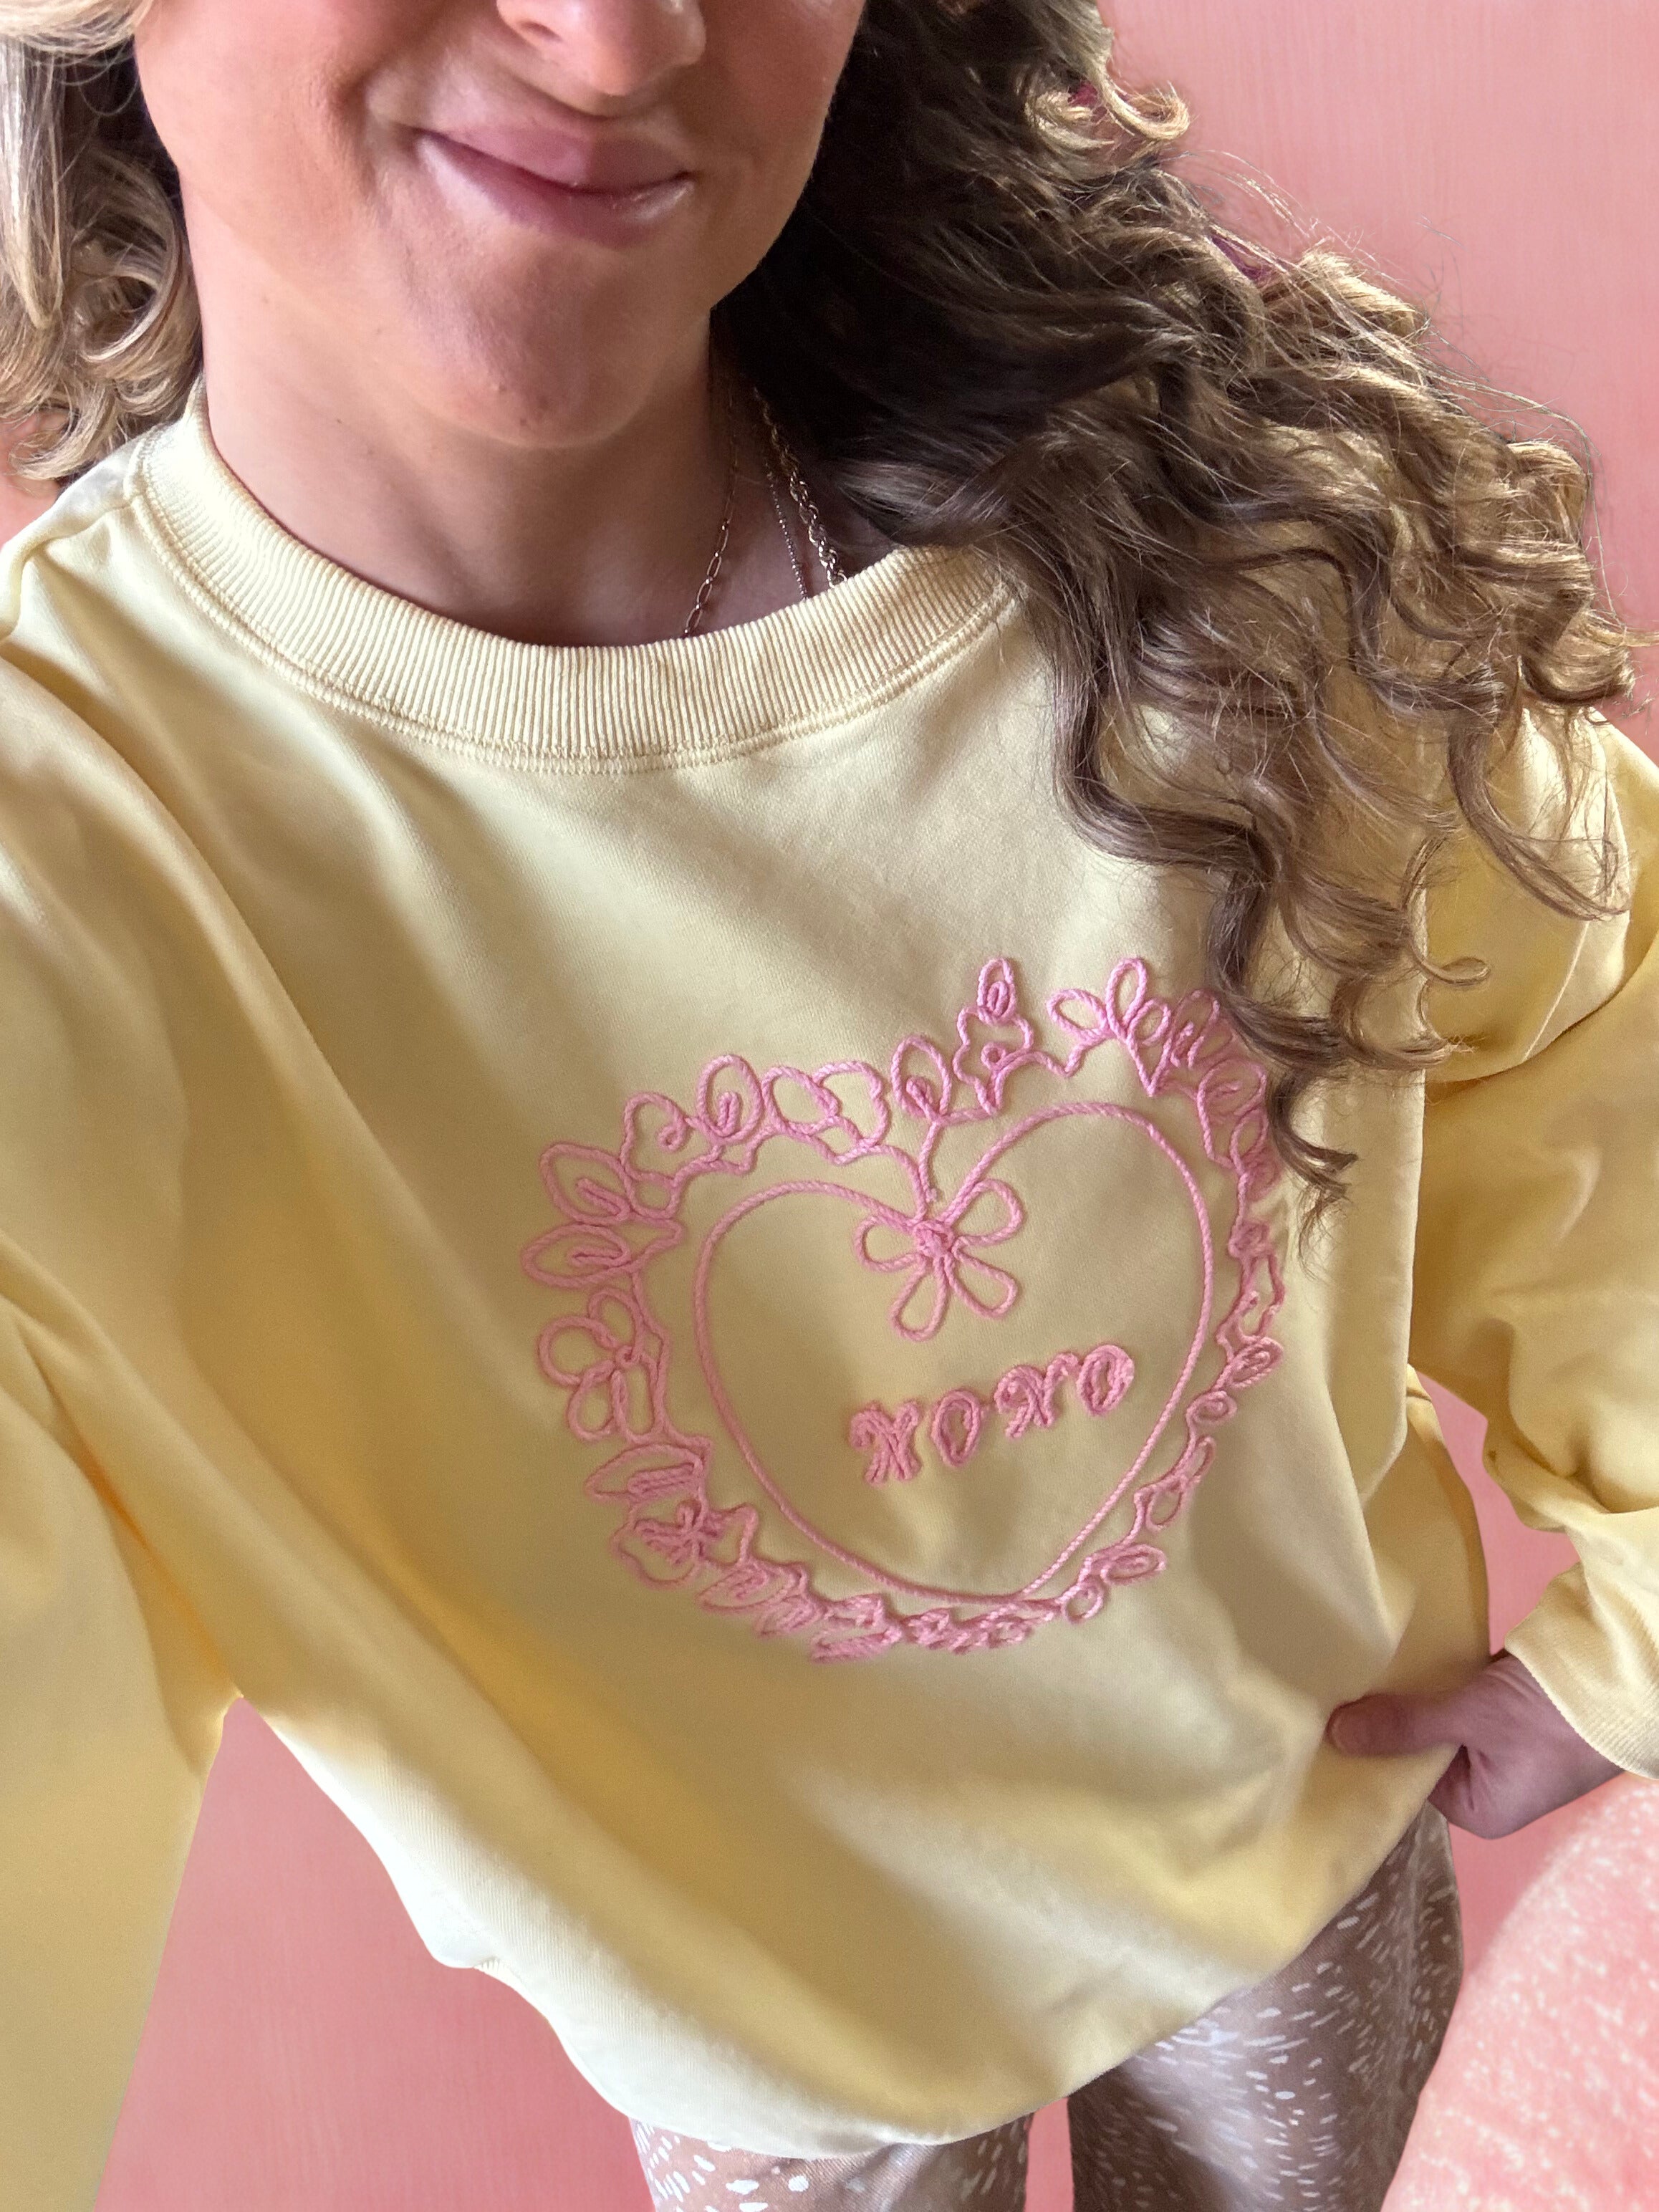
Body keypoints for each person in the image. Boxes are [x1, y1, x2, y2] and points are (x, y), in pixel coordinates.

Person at [0, 1, 1650, 2208]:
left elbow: (1590, 1042)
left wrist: (1630, 1639)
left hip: (1284, 1868)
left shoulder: (1209, 554)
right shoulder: (62, 859)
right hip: (769, 2058)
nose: (615, 41)